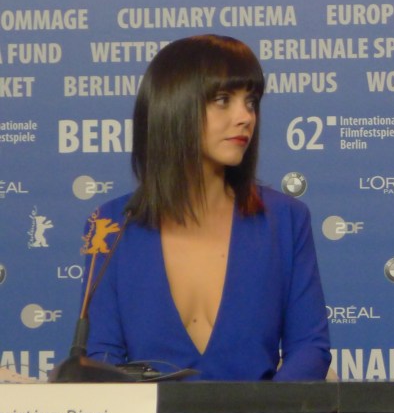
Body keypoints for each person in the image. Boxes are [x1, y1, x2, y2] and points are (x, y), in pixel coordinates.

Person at [80, 34, 331, 380]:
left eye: (251, 102)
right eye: (223, 100)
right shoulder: (110, 224)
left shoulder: (286, 219)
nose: (245, 117)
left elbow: (310, 348)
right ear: (174, 106)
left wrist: (265, 411)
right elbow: (101, 356)